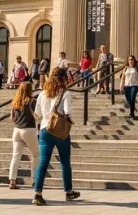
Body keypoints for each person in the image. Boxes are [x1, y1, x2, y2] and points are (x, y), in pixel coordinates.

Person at [32, 67, 80, 205]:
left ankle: (37, 193)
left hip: (45, 130)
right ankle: (68, 191)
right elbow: (67, 112)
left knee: (43, 162)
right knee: (65, 162)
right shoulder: (65, 93)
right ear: (63, 79)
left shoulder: (42, 94)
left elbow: (38, 114)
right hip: (59, 131)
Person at [8, 82, 39, 189]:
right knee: (36, 154)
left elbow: (12, 119)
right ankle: (35, 179)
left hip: (16, 130)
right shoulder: (32, 101)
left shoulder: (15, 102)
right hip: (28, 129)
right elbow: (37, 116)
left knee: (15, 156)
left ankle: (12, 181)